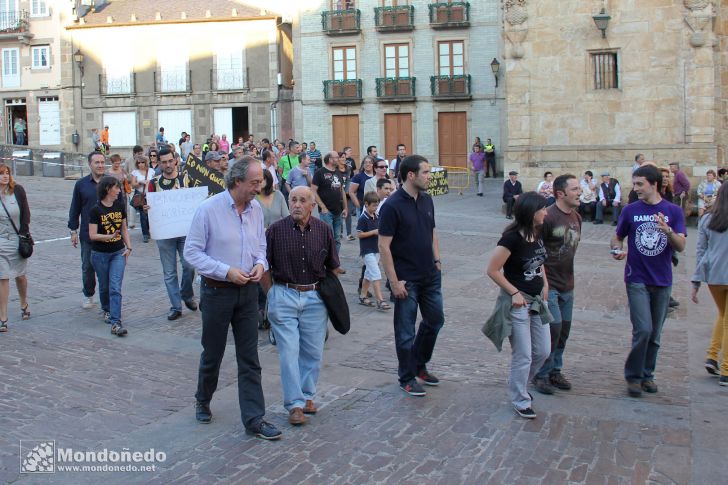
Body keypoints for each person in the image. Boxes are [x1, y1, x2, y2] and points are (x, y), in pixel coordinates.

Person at [184, 157, 282, 440]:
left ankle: (254, 418)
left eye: (260, 182)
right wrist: (226, 272)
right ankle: (203, 398)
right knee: (212, 352)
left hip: (248, 293)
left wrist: (261, 264)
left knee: (250, 357)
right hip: (216, 292)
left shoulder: (255, 211)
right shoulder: (208, 210)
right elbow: (192, 253)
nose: (259, 187)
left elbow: (260, 246)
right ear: (237, 180)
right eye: (254, 183)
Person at [262, 185, 340, 425]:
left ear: (312, 206)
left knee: (313, 351)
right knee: (288, 352)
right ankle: (294, 404)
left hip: (314, 297)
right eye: (293, 200)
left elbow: (332, 265)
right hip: (284, 294)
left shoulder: (323, 230)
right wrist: (272, 293)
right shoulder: (275, 231)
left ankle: (307, 395)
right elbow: (263, 265)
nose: (296, 204)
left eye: (302, 200)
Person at [611, 164, 686, 397]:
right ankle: (633, 377)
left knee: (655, 334)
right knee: (643, 329)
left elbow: (681, 246)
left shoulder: (673, 211)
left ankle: (647, 375)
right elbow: (617, 237)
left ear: (654, 184)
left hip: (663, 280)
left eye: (640, 184)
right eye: (634, 184)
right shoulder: (630, 210)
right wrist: (616, 250)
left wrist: (668, 232)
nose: (635, 188)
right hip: (636, 278)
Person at [379, 155, 444, 397]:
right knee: (405, 331)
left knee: (435, 320)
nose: (430, 176)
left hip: (430, 274)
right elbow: (384, 246)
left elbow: (432, 232)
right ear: (410, 175)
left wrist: (437, 260)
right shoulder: (392, 206)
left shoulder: (427, 200)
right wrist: (394, 282)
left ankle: (419, 363)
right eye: (426, 172)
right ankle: (406, 376)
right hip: (407, 279)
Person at [485, 192, 550, 419]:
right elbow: (492, 270)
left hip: (537, 301)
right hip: (518, 302)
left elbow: (541, 262)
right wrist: (513, 292)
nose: (546, 212)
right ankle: (520, 398)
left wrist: (546, 285)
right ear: (531, 212)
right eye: (542, 208)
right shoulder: (511, 238)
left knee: (542, 351)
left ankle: (518, 382)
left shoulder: (538, 232)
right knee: (523, 354)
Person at [532, 175, 582, 395]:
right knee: (553, 328)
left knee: (564, 331)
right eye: (575, 189)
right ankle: (540, 373)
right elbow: (535, 249)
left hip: (567, 284)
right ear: (561, 193)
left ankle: (555, 369)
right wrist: (542, 283)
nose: (580, 192)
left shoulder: (577, 217)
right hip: (549, 284)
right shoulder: (548, 217)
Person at [147, 148, 196, 320]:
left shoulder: (186, 179)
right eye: (164, 162)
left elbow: (195, 201)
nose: (167, 165)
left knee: (189, 265)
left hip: (185, 231)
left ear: (175, 160)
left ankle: (187, 294)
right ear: (159, 163)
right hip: (164, 231)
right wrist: (147, 207)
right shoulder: (153, 183)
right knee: (169, 272)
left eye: (170, 161)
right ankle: (176, 306)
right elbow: (148, 204)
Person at [691, 183, 728, 386]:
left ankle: (712, 356)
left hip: (714, 276)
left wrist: (696, 280)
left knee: (723, 316)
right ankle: (726, 370)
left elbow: (700, 251)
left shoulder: (707, 219)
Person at [88, 176, 131, 336]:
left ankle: (116, 322)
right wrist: (108, 237)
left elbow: (124, 228)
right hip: (100, 254)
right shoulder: (96, 210)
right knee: (104, 285)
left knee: (115, 287)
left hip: (118, 252)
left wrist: (129, 246)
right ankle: (106, 308)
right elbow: (92, 235)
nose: (119, 190)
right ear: (108, 189)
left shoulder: (120, 206)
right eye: (117, 188)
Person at [69, 152, 108, 309]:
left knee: (106, 269)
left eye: (102, 162)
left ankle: (106, 298)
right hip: (88, 234)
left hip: (108, 233)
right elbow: (75, 208)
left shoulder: (111, 182)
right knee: (88, 267)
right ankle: (88, 293)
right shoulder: (81, 184)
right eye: (97, 162)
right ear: (90, 164)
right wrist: (73, 229)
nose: (100, 165)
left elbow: (120, 206)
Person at [0, 164, 30, 332]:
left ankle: (23, 302)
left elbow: (26, 214)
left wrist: (24, 235)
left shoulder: (17, 190)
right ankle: (3, 317)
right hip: (1, 241)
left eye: (7, 173)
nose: (5, 176)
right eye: (1, 174)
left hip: (17, 239)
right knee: (3, 277)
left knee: (20, 276)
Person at [357, 191, 390, 311]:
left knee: (369, 274)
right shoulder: (363, 218)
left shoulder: (376, 216)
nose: (376, 208)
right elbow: (359, 235)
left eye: (377, 205)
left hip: (376, 250)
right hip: (367, 251)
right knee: (376, 274)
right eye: (374, 205)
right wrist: (374, 232)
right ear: (366, 204)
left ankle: (363, 296)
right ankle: (380, 300)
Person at [312, 151, 347, 256]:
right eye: (337, 157)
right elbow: (313, 190)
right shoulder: (319, 173)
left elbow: (342, 191)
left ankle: (335, 264)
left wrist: (345, 208)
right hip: (326, 212)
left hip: (338, 211)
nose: (339, 159)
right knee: (328, 238)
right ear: (330, 159)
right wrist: (322, 206)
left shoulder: (338, 172)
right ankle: (327, 263)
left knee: (337, 239)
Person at [130, 156, 154, 243]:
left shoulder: (151, 171)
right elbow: (132, 184)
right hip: (141, 196)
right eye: (138, 163)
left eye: (142, 162)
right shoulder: (135, 172)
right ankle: (145, 234)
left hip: (151, 195)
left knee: (150, 215)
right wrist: (140, 182)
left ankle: (150, 230)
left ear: (145, 162)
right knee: (143, 215)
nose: (140, 164)